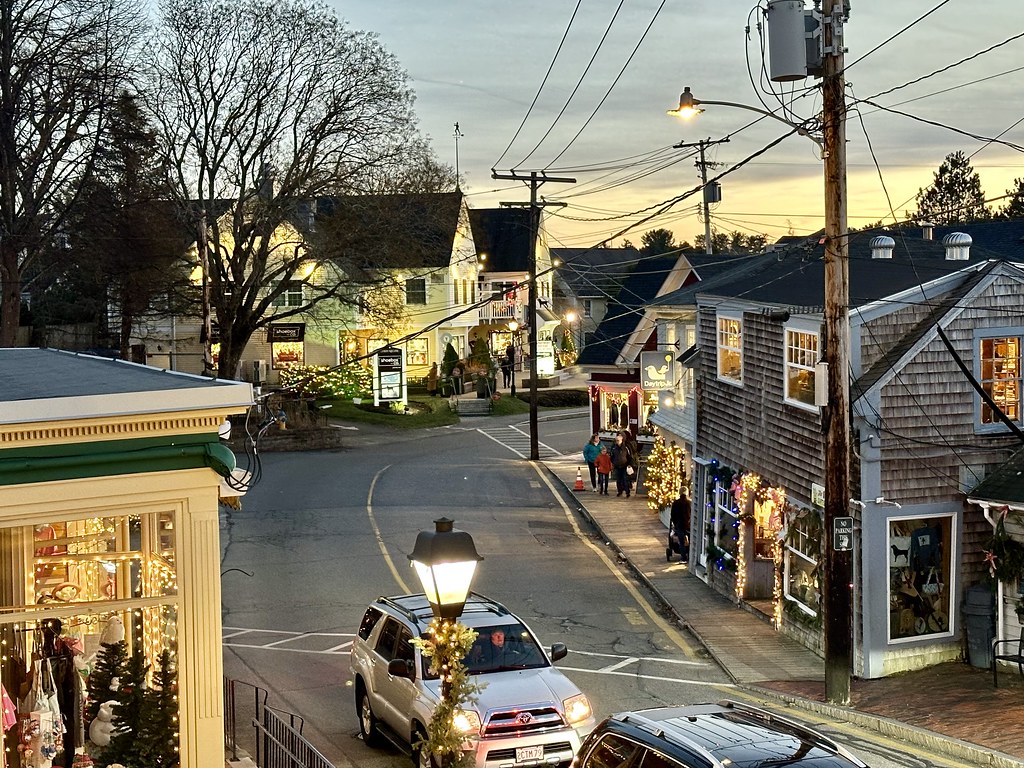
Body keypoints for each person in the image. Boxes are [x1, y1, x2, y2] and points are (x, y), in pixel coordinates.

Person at [610, 431, 636, 498]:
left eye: (618, 440)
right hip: (617, 465)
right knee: (618, 480)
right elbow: (612, 456)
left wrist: (630, 464)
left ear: (622, 439)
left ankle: (627, 492)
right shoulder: (614, 448)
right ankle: (619, 491)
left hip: (625, 465)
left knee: (625, 479)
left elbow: (630, 456)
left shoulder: (626, 447)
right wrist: (613, 463)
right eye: (616, 440)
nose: (617, 442)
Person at [668, 490, 691, 562]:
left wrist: (675, 524)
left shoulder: (676, 503)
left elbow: (672, 515)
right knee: (690, 540)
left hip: (679, 524)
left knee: (681, 542)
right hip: (688, 525)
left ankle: (683, 557)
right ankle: (689, 554)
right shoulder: (689, 502)